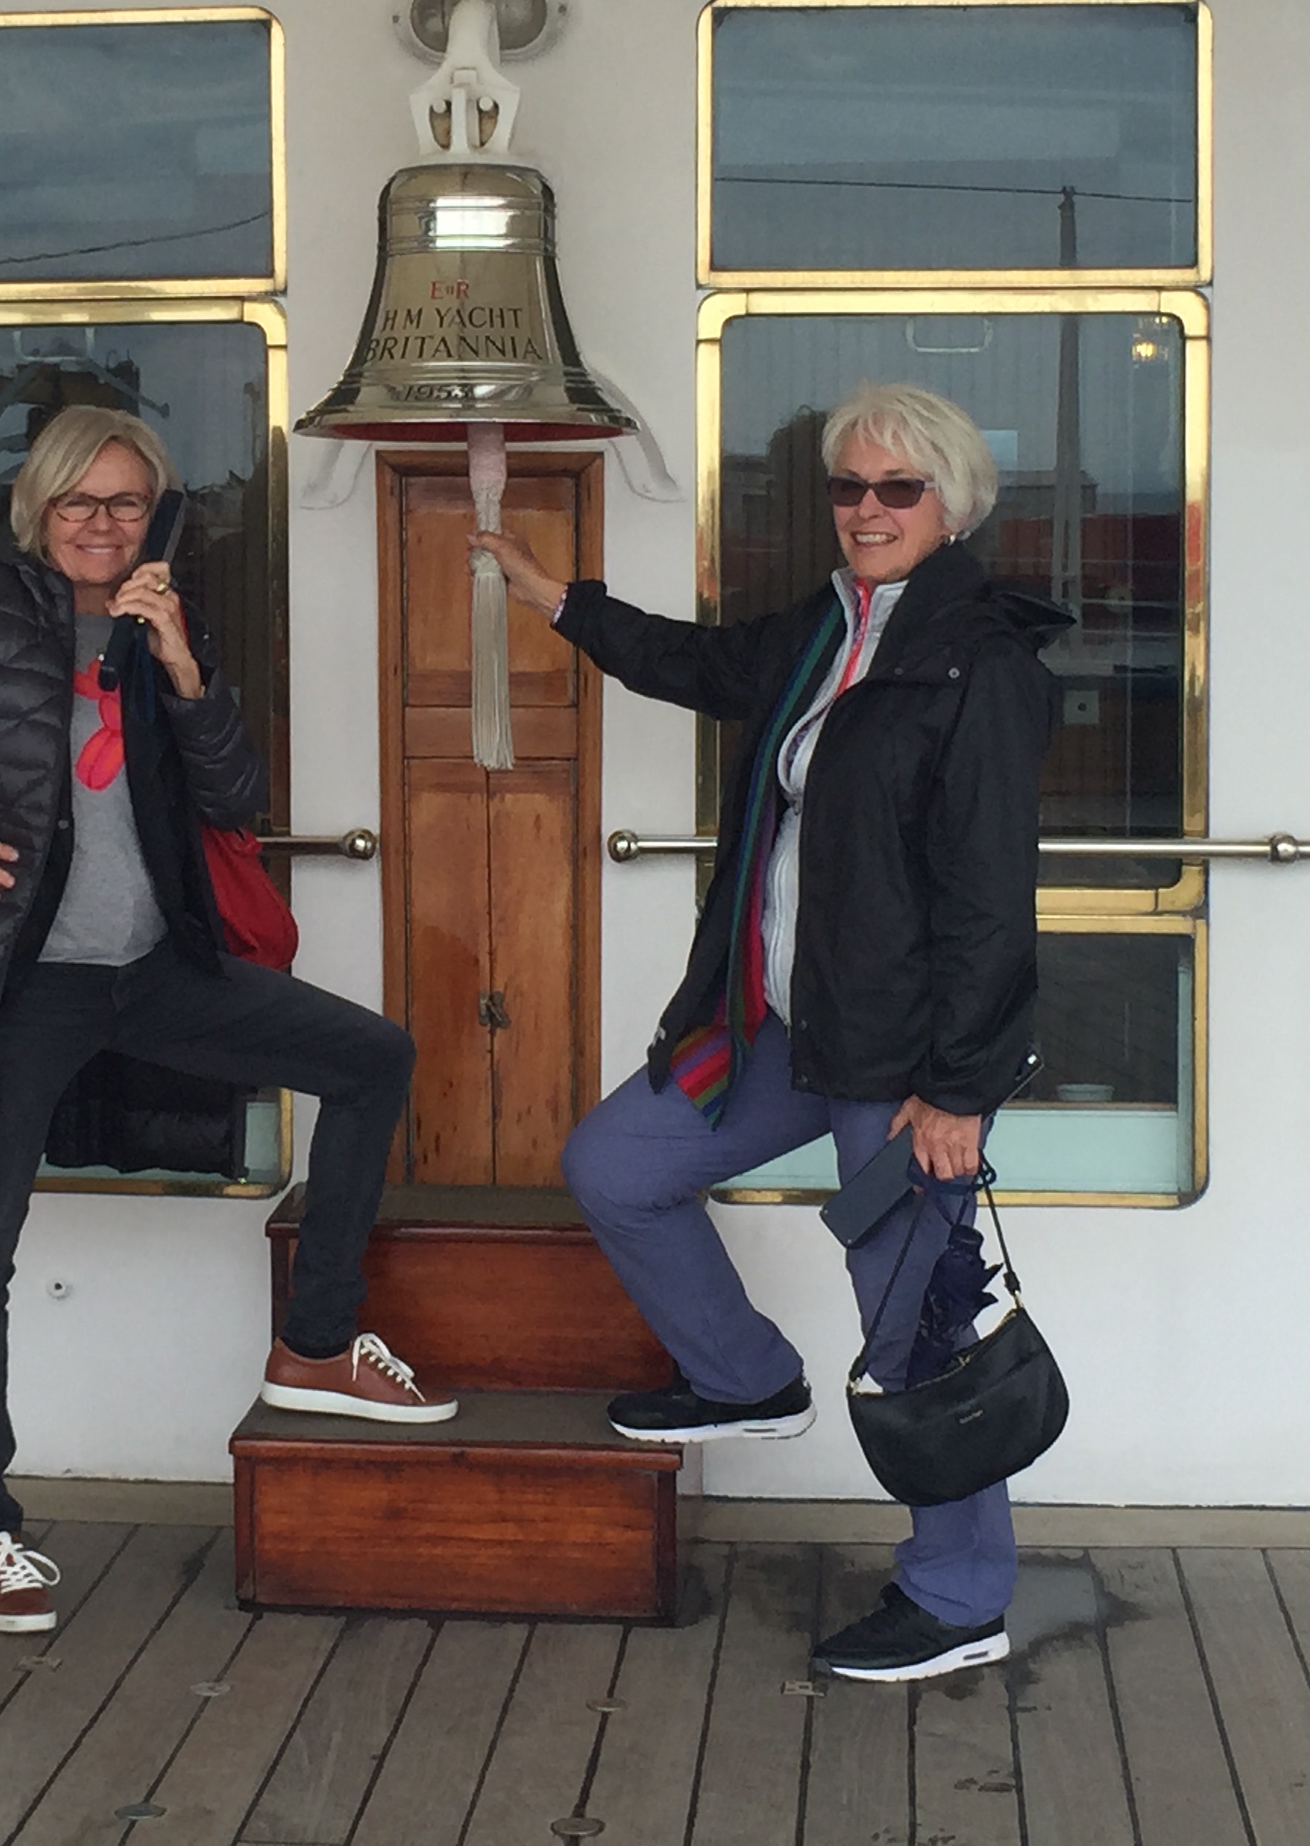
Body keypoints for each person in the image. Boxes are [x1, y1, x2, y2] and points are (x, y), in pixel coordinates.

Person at [0, 405, 451, 1638]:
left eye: (127, 502)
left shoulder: (164, 624)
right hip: (16, 982)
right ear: (37, 510)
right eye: (78, 502)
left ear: (157, 516)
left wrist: (185, 668)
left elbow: (235, 795)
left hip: (152, 971)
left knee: (373, 1058)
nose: (102, 523)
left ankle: (316, 1344)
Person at [473, 382, 1067, 1686]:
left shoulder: (977, 659)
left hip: (902, 1063)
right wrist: (557, 599)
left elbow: (990, 900)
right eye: (848, 487)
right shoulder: (829, 628)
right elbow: (703, 665)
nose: (867, 509)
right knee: (618, 1166)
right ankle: (745, 1377)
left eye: (897, 489)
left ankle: (960, 1594)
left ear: (952, 504)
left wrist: (960, 1091)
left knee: (918, 1332)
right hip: (786, 1024)